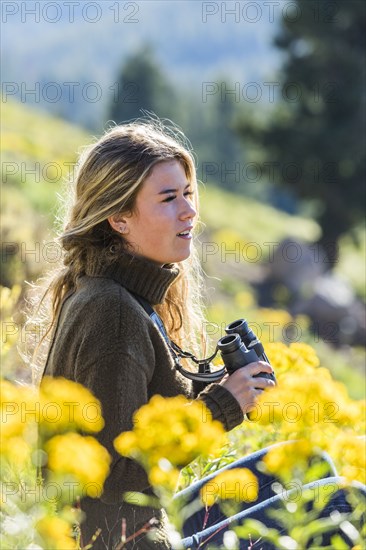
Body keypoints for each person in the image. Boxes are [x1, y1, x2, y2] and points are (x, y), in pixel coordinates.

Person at [37, 121, 362, 549]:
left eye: (187, 194)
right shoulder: (113, 312)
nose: (189, 211)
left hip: (144, 526)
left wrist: (217, 390)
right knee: (345, 501)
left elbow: (137, 425)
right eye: (168, 199)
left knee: (311, 467)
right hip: (125, 542)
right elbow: (111, 478)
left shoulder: (121, 295)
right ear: (119, 218)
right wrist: (222, 406)